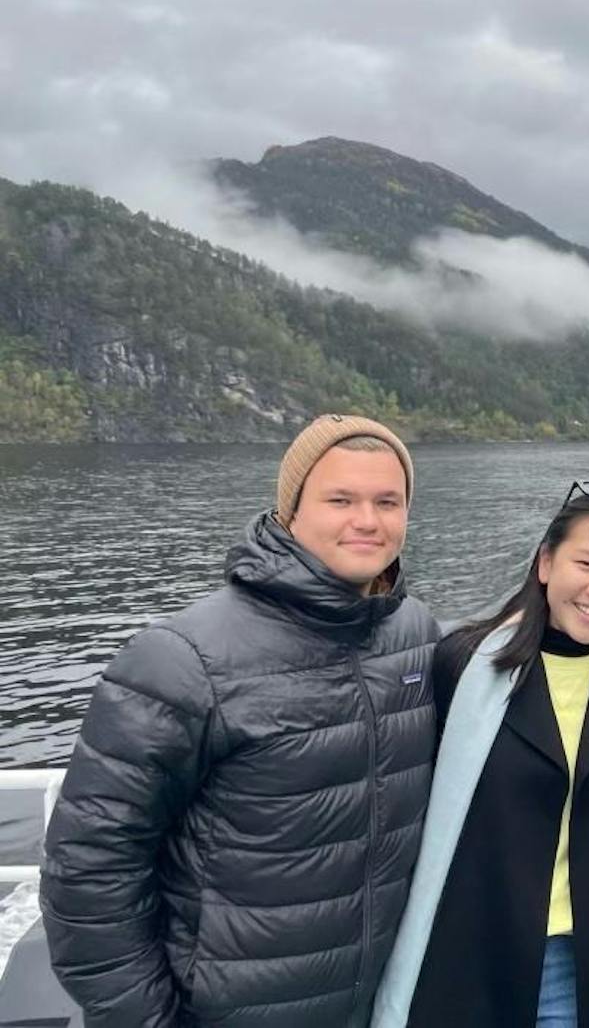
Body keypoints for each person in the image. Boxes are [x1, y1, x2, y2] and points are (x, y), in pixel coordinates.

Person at [40, 414, 440, 1028]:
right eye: (341, 499)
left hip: (375, 1006)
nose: (368, 520)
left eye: (388, 501)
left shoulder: (415, 636)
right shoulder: (183, 660)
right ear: (290, 510)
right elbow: (89, 871)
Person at [373, 480, 589, 1028]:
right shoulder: (464, 664)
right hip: (467, 950)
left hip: (578, 960)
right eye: (585, 563)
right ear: (546, 562)